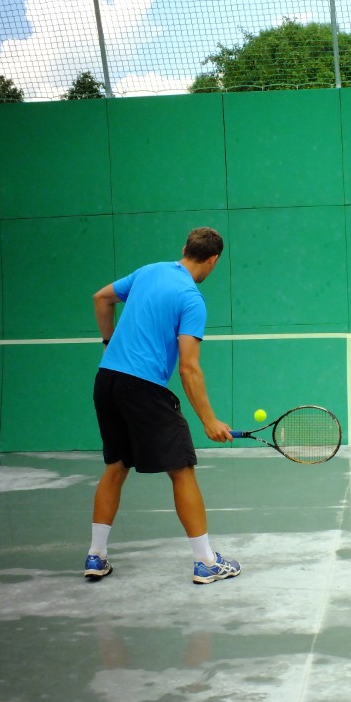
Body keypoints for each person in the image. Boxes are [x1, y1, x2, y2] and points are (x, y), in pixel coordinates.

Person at [84, 227, 241, 585]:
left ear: (184, 248)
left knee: (116, 466)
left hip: (106, 381)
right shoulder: (191, 299)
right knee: (181, 469)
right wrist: (209, 420)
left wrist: (109, 342)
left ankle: (96, 555)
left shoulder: (149, 271)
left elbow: (101, 299)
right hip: (143, 388)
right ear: (213, 260)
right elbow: (188, 367)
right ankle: (206, 562)